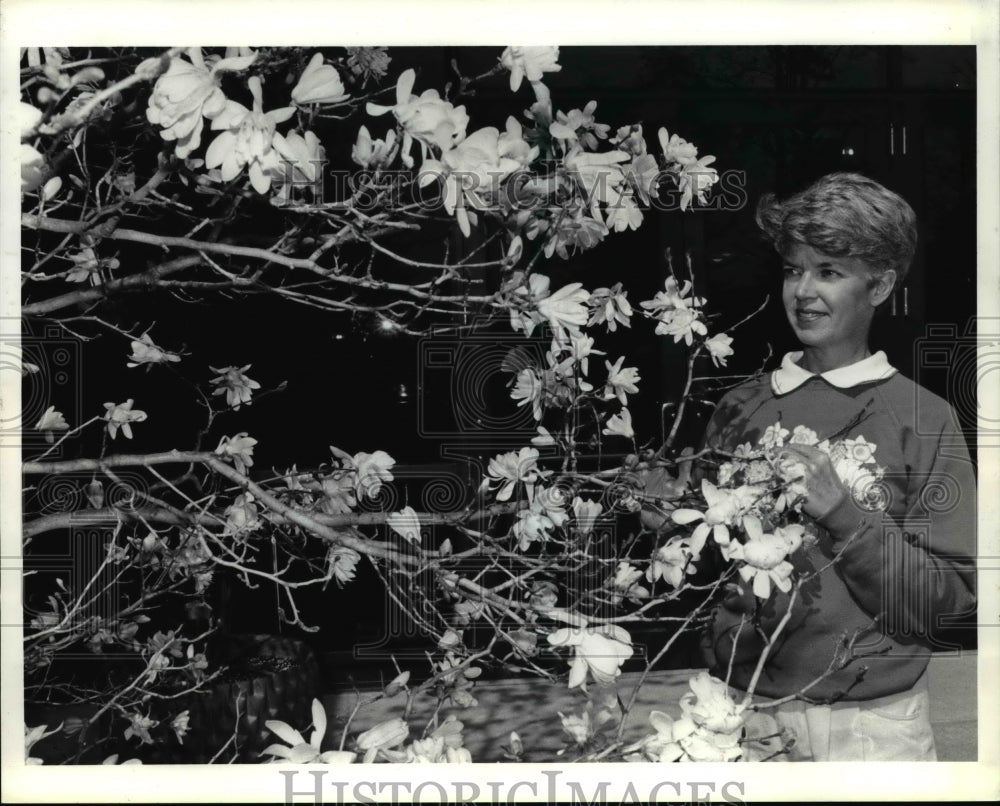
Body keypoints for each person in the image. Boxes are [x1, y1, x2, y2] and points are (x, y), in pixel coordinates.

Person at [695, 172, 977, 761]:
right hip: (743, 711)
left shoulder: (924, 417)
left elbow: (949, 602)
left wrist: (846, 515)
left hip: (876, 725)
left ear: (880, 286)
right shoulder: (738, 409)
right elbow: (707, 576)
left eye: (829, 271)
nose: (803, 291)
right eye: (794, 268)